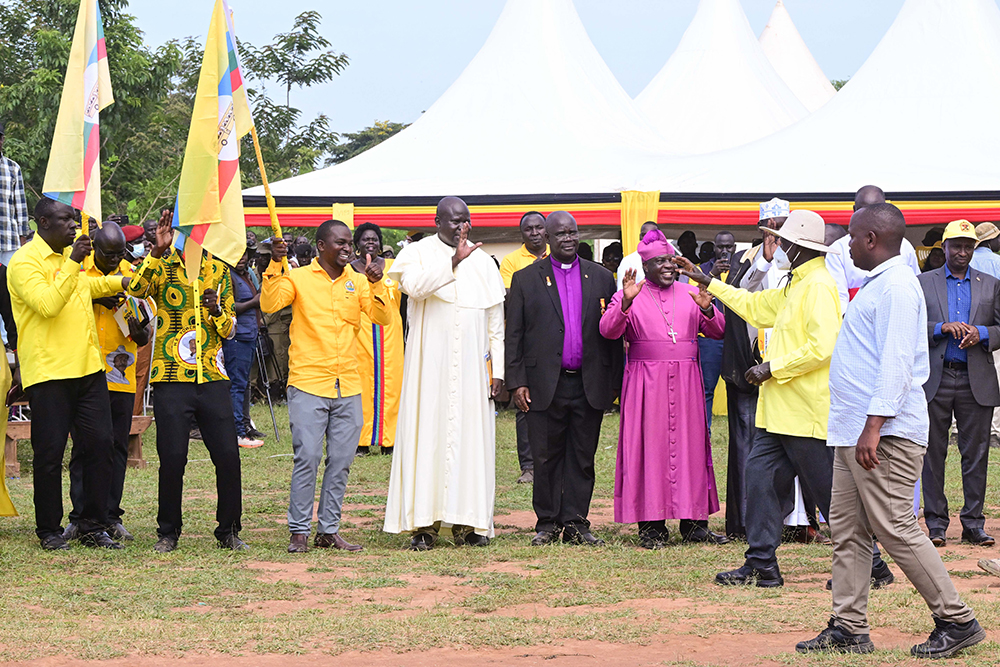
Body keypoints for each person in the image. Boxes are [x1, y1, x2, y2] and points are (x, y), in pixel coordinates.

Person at [797, 204, 985, 659]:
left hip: (883, 432)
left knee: (896, 528)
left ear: (870, 239)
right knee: (848, 530)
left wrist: (874, 426)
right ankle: (848, 626)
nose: (845, 247)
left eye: (851, 237)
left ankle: (956, 620)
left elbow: (898, 362)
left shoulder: (898, 287)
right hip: (854, 430)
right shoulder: (880, 285)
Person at [679, 210, 889, 588]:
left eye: (780, 241)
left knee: (830, 496)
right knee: (759, 483)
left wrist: (771, 368)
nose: (774, 246)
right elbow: (759, 308)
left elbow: (823, 347)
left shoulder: (819, 285)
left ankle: (872, 565)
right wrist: (710, 281)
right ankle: (761, 563)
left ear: (796, 247)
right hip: (777, 412)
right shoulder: (797, 282)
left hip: (806, 411)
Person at [262, 220, 392, 553]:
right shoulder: (299, 277)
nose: (349, 248)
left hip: (348, 383)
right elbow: (270, 303)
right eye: (342, 243)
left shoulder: (359, 282)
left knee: (342, 460)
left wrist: (377, 285)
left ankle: (328, 529)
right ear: (321, 247)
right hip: (308, 382)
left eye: (350, 243)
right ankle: (299, 530)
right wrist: (276, 263)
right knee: (307, 456)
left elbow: (382, 318)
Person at [383, 197, 505, 550]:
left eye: (466, 220)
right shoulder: (418, 252)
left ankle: (468, 523)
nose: (461, 227)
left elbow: (495, 321)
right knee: (427, 438)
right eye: (454, 221)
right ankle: (424, 525)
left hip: (472, 369)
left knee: (471, 441)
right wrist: (453, 262)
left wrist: (496, 368)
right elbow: (415, 288)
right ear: (438, 221)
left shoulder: (483, 262)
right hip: (429, 370)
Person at [8, 199, 128, 550]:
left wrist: (124, 281)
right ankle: (49, 530)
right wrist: (75, 261)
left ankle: (92, 524)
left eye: (74, 220)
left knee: (100, 445)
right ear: (43, 222)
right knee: (49, 455)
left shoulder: (65, 260)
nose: (73, 227)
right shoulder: (23, 262)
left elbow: (86, 289)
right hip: (50, 373)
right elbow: (48, 304)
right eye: (65, 220)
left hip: (88, 369)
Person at [599, 230, 727, 548]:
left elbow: (718, 331)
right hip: (646, 384)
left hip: (686, 383)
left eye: (671, 260)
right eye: (661, 262)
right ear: (646, 266)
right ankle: (652, 527)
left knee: (691, 448)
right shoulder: (632, 292)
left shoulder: (689, 293)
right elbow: (608, 330)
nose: (669, 266)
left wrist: (709, 310)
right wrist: (625, 303)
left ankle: (695, 524)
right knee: (650, 450)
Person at [127, 210, 245, 553]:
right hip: (171, 377)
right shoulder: (162, 265)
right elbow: (136, 289)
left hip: (212, 376)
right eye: (189, 230)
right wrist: (157, 252)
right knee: (173, 456)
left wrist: (217, 311)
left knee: (226, 456)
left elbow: (231, 330)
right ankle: (168, 532)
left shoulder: (218, 269)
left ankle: (229, 531)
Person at [506, 211, 621, 547]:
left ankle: (576, 522)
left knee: (582, 458)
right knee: (544, 457)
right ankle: (547, 523)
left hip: (589, 382)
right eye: (561, 234)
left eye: (573, 232)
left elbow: (612, 334)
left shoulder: (601, 278)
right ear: (548, 239)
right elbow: (514, 335)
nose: (568, 239)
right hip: (544, 383)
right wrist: (517, 381)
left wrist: (614, 381)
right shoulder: (526, 279)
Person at [64, 222, 153, 544]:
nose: (115, 260)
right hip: (85, 370)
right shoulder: (78, 272)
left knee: (116, 446)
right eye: (108, 254)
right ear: (95, 249)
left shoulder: (132, 276)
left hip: (119, 372)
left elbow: (144, 335)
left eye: (120, 254)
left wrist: (134, 321)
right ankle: (79, 517)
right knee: (84, 447)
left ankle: (110, 516)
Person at [919, 219, 1000, 548]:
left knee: (976, 454)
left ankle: (973, 523)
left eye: (969, 246)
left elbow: (999, 327)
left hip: (974, 377)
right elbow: (910, 326)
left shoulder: (991, 284)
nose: (963, 252)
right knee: (932, 455)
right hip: (935, 378)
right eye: (957, 246)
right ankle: (936, 525)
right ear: (945, 248)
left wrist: (980, 333)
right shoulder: (923, 283)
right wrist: (941, 328)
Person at [499, 211, 549, 484]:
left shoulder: (559, 255)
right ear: (522, 234)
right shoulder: (510, 261)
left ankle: (553, 465)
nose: (534, 233)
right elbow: (510, 299)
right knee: (524, 405)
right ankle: (528, 466)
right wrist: (537, 273)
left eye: (539, 228)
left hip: (555, 341)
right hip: (524, 340)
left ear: (546, 231)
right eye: (528, 229)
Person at [349, 222, 404, 457]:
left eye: (374, 239)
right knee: (362, 385)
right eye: (365, 239)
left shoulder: (394, 267)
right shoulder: (348, 271)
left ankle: (389, 440)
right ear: (357, 244)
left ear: (380, 243)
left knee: (392, 385)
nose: (370, 242)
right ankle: (361, 440)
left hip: (391, 335)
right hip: (360, 334)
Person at [825, 185, 920, 314]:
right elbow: (839, 299)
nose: (869, 215)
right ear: (854, 210)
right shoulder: (838, 249)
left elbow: (916, 285)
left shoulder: (905, 246)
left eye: (876, 208)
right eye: (863, 209)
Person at [224, 239, 264, 449]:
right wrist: (253, 302)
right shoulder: (228, 276)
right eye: (236, 254)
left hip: (250, 334)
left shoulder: (247, 275)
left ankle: (244, 426)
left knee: (244, 383)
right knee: (237, 384)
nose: (241, 259)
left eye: (244, 254)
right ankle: (237, 431)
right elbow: (229, 307)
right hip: (237, 336)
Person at [698, 231, 736, 425]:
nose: (724, 251)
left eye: (728, 247)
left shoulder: (740, 269)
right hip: (709, 339)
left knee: (738, 387)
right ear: (714, 247)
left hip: (736, 337)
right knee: (706, 388)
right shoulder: (702, 269)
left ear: (735, 248)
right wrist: (711, 274)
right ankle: (704, 432)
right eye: (720, 246)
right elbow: (693, 295)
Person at [0, 123, 29, 269]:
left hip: (8, 239)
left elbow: (21, 207)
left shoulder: (12, 168)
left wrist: (23, 237)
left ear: (2, 140)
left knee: (9, 284)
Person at [617, 221, 660, 291]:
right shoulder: (628, 261)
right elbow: (621, 292)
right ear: (640, 237)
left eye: (651, 235)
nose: (647, 238)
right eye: (644, 235)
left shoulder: (665, 260)